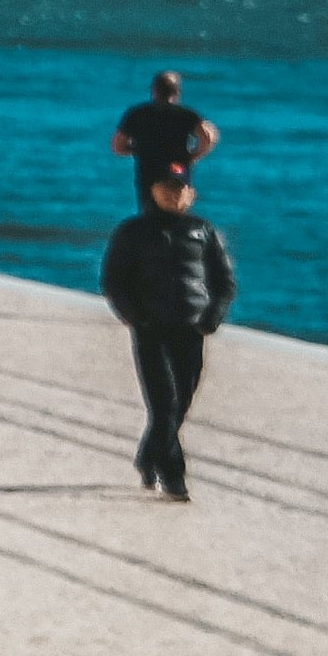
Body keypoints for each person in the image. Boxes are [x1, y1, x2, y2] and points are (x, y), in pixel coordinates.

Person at [100, 162, 235, 500]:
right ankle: (174, 477)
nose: (173, 195)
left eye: (179, 189)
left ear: (190, 193)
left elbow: (223, 282)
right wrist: (135, 317)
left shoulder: (204, 232)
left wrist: (212, 316)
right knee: (164, 405)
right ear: (153, 191)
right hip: (152, 330)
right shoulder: (132, 231)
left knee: (181, 404)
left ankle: (148, 456)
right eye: (166, 188)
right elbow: (113, 281)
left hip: (191, 328)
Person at [111, 67, 218, 208]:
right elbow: (208, 138)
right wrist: (193, 156)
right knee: (177, 208)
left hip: (149, 170)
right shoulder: (187, 115)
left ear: (153, 90)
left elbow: (118, 146)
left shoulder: (137, 114)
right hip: (177, 167)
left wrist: (137, 150)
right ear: (177, 92)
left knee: (150, 213)